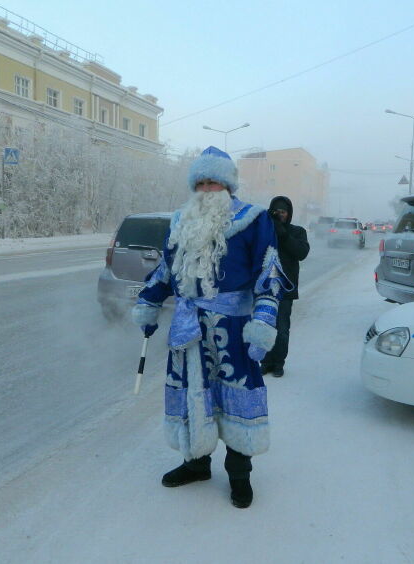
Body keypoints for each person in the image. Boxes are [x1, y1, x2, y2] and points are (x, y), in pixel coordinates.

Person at [131, 146, 290, 509]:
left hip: (233, 329)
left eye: (214, 183)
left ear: (228, 186)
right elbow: (167, 270)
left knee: (234, 397)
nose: (206, 190)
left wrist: (264, 320)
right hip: (189, 329)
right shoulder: (180, 220)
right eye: (200, 183)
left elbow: (270, 271)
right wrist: (150, 301)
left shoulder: (254, 219)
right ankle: (196, 463)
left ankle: (239, 476)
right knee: (192, 395)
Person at [260, 196, 310, 377]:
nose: (280, 215)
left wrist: (283, 234)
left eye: (283, 212)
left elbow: (301, 252)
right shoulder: (264, 232)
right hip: (264, 288)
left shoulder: (297, 231)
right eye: (276, 212)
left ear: (289, 213)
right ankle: (265, 361)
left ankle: (278, 363)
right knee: (265, 327)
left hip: (285, 290)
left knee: (281, 330)